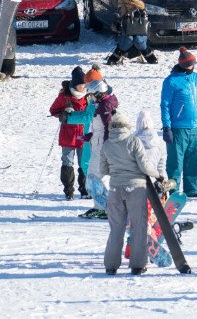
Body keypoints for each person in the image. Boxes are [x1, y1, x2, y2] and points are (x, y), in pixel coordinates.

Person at [98, 111, 163, 275]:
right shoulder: (134, 141)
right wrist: (158, 175)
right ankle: (138, 265)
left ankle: (111, 265)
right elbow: (145, 167)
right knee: (139, 227)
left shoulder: (107, 144)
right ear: (127, 126)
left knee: (116, 228)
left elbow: (102, 170)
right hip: (136, 189)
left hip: (115, 189)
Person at [160, 48, 197, 197]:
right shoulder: (171, 81)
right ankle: (173, 191)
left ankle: (192, 190)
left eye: (193, 64)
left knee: (194, 160)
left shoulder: (196, 78)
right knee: (175, 163)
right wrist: (166, 127)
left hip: (194, 128)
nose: (192, 67)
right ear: (182, 65)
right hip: (178, 129)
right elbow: (165, 105)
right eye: (189, 64)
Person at [51, 67, 91, 200]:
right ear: (74, 85)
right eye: (80, 85)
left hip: (83, 135)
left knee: (84, 162)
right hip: (68, 135)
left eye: (84, 84)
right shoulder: (64, 96)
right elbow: (53, 110)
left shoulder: (89, 96)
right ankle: (68, 190)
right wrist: (63, 113)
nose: (83, 87)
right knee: (67, 162)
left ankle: (85, 189)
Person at [82, 77, 119, 217]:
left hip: (103, 148)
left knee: (98, 176)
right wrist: (90, 136)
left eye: (91, 96)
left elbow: (109, 129)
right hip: (98, 144)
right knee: (93, 176)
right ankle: (100, 206)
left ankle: (105, 207)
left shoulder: (105, 107)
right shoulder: (102, 105)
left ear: (98, 94)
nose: (90, 99)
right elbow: (100, 127)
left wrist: (107, 147)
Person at [105, 0, 157, 65]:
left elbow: (145, 26)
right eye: (125, 2)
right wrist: (118, 20)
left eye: (129, 2)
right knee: (129, 38)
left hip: (140, 34)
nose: (127, 4)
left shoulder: (142, 11)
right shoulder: (121, 11)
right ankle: (114, 58)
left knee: (138, 39)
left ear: (135, 2)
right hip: (125, 35)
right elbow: (114, 28)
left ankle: (150, 57)